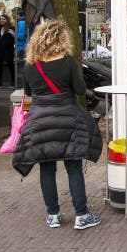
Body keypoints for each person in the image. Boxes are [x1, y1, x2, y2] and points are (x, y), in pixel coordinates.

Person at [12, 19, 103, 230]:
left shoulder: (30, 65)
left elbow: (28, 92)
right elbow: (80, 89)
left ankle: (52, 214)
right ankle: (81, 215)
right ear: (61, 40)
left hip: (40, 121)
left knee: (46, 167)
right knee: (73, 166)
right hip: (68, 119)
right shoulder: (68, 61)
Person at [0, 14, 15, 88]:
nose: (2, 20)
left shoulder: (11, 28)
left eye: (4, 19)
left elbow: (13, 39)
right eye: (1, 19)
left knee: (10, 66)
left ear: (7, 20)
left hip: (8, 50)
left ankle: (13, 82)